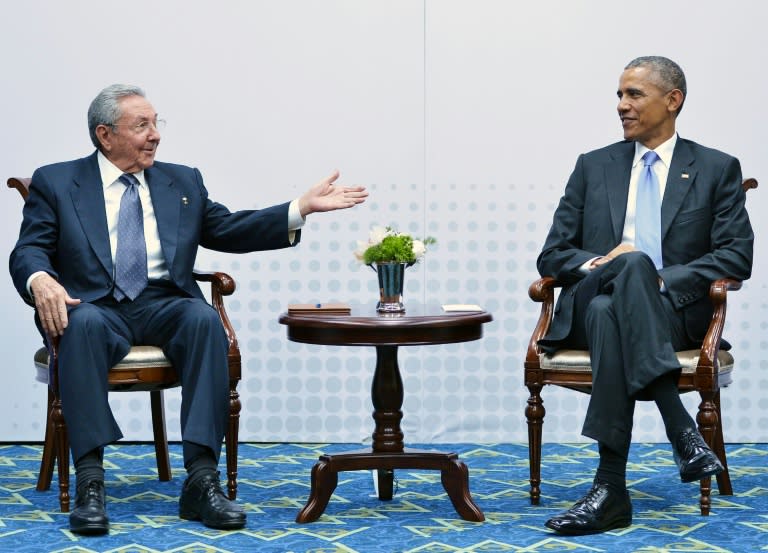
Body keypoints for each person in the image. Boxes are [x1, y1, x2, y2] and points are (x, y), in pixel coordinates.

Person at [9, 84, 368, 535]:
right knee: (79, 325)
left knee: (203, 320)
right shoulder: (58, 181)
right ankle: (90, 482)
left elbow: (227, 229)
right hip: (94, 306)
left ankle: (201, 480)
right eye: (142, 125)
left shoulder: (181, 180)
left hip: (163, 302)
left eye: (157, 123)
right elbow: (29, 250)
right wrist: (40, 278)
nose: (155, 134)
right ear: (104, 135)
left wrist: (298, 210)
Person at [536, 56, 753, 535]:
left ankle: (610, 489)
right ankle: (682, 431)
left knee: (608, 308)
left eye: (634, 95)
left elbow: (736, 259)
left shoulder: (716, 168)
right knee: (624, 269)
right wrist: (601, 263)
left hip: (672, 313)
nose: (621, 106)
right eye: (619, 95)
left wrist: (659, 279)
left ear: (672, 101)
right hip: (603, 291)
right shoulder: (594, 166)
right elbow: (552, 255)